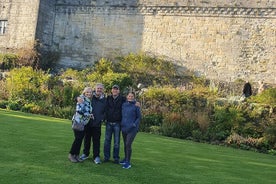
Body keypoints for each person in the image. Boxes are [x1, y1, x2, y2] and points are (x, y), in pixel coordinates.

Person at [79, 83, 106, 164]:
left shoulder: (105, 99)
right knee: (87, 139)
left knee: (96, 141)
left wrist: (102, 119)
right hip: (88, 122)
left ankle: (96, 156)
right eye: (98, 88)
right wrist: (77, 98)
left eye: (101, 88)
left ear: (103, 90)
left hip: (97, 124)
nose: (99, 90)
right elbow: (81, 96)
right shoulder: (91, 96)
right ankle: (85, 154)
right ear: (95, 89)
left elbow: (106, 111)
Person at [68, 87, 93, 163]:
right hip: (78, 121)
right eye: (87, 92)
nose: (89, 93)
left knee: (80, 139)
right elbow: (79, 111)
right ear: (84, 93)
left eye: (90, 92)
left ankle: (76, 155)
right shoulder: (81, 99)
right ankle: (71, 154)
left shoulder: (88, 100)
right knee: (78, 139)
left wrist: (89, 115)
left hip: (83, 123)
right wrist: (89, 115)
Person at [103, 84, 126, 164]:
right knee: (107, 141)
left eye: (116, 89)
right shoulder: (108, 98)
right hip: (109, 122)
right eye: (113, 89)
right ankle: (106, 157)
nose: (115, 90)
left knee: (116, 142)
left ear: (119, 91)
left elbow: (130, 101)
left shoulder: (123, 99)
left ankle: (116, 158)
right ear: (111, 90)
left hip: (117, 123)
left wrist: (136, 103)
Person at [120, 92, 141, 169]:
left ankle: (128, 162)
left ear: (134, 97)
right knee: (125, 144)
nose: (130, 97)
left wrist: (134, 124)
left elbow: (139, 117)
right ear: (127, 97)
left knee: (128, 144)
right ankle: (125, 159)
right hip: (124, 127)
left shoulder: (136, 105)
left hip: (132, 129)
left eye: (132, 96)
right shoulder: (124, 104)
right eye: (129, 96)